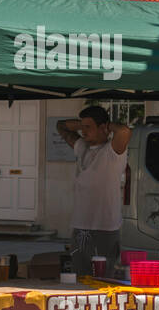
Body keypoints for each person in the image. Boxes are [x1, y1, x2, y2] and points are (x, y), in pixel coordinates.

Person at [56, 106, 131, 277]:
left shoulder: (112, 152)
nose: (83, 131)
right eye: (82, 127)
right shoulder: (82, 147)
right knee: (79, 276)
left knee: (104, 278)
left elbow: (124, 131)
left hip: (104, 227)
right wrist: (83, 125)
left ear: (103, 127)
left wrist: (107, 126)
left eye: (88, 127)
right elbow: (60, 126)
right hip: (79, 226)